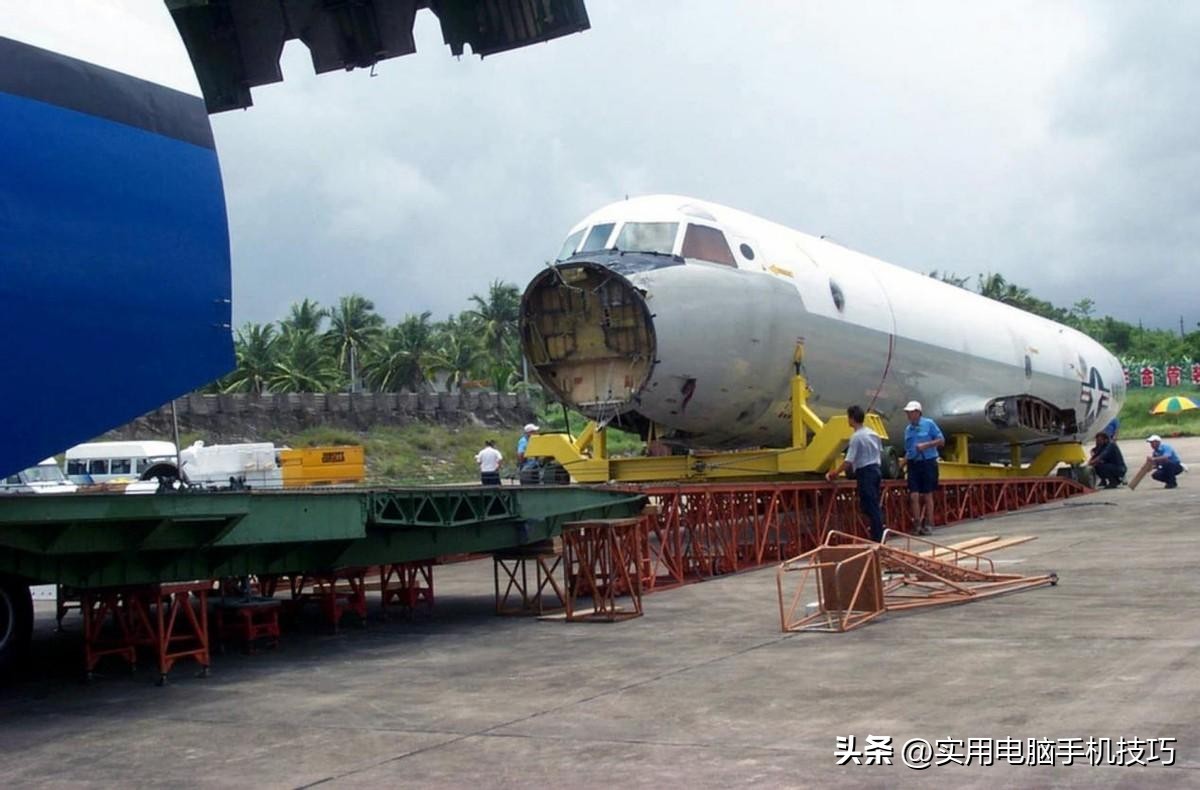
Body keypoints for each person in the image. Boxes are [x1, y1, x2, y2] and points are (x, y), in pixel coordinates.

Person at [826, 405, 885, 542]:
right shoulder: (873, 434)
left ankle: (877, 538)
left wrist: (835, 473)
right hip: (876, 470)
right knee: (873, 504)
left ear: (852, 419)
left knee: (869, 506)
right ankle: (879, 532)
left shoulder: (856, 437)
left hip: (865, 472)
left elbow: (849, 461)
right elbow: (880, 452)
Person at [902, 400, 944, 536]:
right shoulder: (908, 430)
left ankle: (929, 523)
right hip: (913, 464)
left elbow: (941, 441)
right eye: (907, 413)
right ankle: (917, 524)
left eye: (911, 412)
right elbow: (909, 450)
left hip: (927, 462)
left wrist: (926, 445)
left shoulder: (929, 424)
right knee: (913, 495)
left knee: (927, 494)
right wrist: (901, 464)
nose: (908, 415)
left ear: (918, 412)